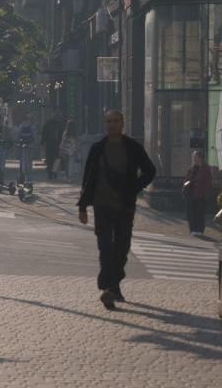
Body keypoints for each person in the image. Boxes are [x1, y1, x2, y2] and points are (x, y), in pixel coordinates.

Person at [78, 110, 156, 310]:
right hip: (102, 205)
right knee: (105, 247)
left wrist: (134, 188)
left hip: (124, 206)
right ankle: (108, 289)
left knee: (121, 249)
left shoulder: (132, 148)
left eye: (115, 121)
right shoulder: (97, 148)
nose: (111, 125)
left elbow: (150, 171)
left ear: (122, 124)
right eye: (108, 121)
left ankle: (113, 285)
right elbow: (88, 179)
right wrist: (83, 206)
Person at [184, 150, 211, 236]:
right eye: (193, 157)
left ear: (200, 158)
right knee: (191, 212)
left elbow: (208, 183)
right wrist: (187, 183)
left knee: (200, 213)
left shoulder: (206, 169)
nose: (194, 159)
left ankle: (200, 230)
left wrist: (205, 194)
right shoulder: (191, 168)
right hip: (190, 193)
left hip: (200, 195)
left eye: (196, 157)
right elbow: (186, 179)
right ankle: (192, 229)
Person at [41, 114, 63, 180]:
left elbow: (43, 134)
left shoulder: (47, 124)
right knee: (56, 159)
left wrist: (42, 142)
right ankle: (55, 173)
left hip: (49, 144)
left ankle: (50, 173)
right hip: (56, 145)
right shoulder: (58, 125)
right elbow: (61, 135)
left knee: (49, 159)